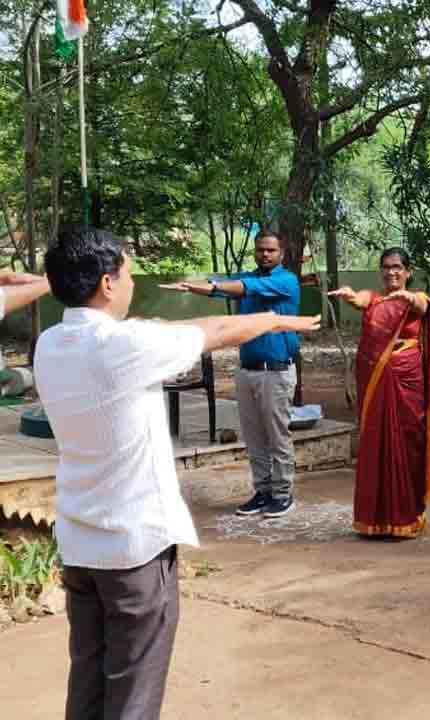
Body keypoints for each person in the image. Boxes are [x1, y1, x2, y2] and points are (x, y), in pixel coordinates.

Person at [37, 225, 319, 720]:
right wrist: (275, 319)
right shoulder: (120, 347)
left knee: (88, 677)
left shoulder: (50, 344)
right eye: (126, 269)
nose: (129, 281)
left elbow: (156, 331)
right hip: (132, 551)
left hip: (80, 545)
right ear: (107, 282)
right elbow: (215, 331)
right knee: (133, 692)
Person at [164, 230, 303, 519]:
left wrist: (203, 288)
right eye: (261, 250)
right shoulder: (248, 277)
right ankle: (263, 490)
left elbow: (238, 288)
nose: (265, 254)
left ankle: (282, 493)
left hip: (275, 372)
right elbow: (221, 285)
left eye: (271, 250)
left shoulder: (285, 281)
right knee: (254, 438)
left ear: (282, 253)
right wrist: (192, 285)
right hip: (247, 370)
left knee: (277, 436)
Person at [327, 248, 430, 538]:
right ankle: (375, 519)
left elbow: (421, 305)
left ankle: (408, 516)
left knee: (409, 444)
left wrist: (409, 297)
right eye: (386, 267)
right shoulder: (375, 297)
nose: (391, 272)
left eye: (397, 267)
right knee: (376, 445)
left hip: (408, 382)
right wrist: (349, 295)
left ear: (408, 272)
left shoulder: (418, 299)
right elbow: (362, 300)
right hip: (377, 382)